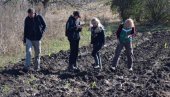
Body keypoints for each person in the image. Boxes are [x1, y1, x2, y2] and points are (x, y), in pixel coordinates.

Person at [23, 8, 46, 72]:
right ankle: (26, 67)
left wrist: (41, 33)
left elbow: (44, 25)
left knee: (37, 53)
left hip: (37, 39)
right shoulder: (27, 19)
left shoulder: (39, 17)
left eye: (31, 14)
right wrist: (24, 40)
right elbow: (25, 29)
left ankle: (36, 68)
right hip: (29, 38)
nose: (29, 16)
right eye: (28, 14)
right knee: (29, 52)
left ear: (34, 13)